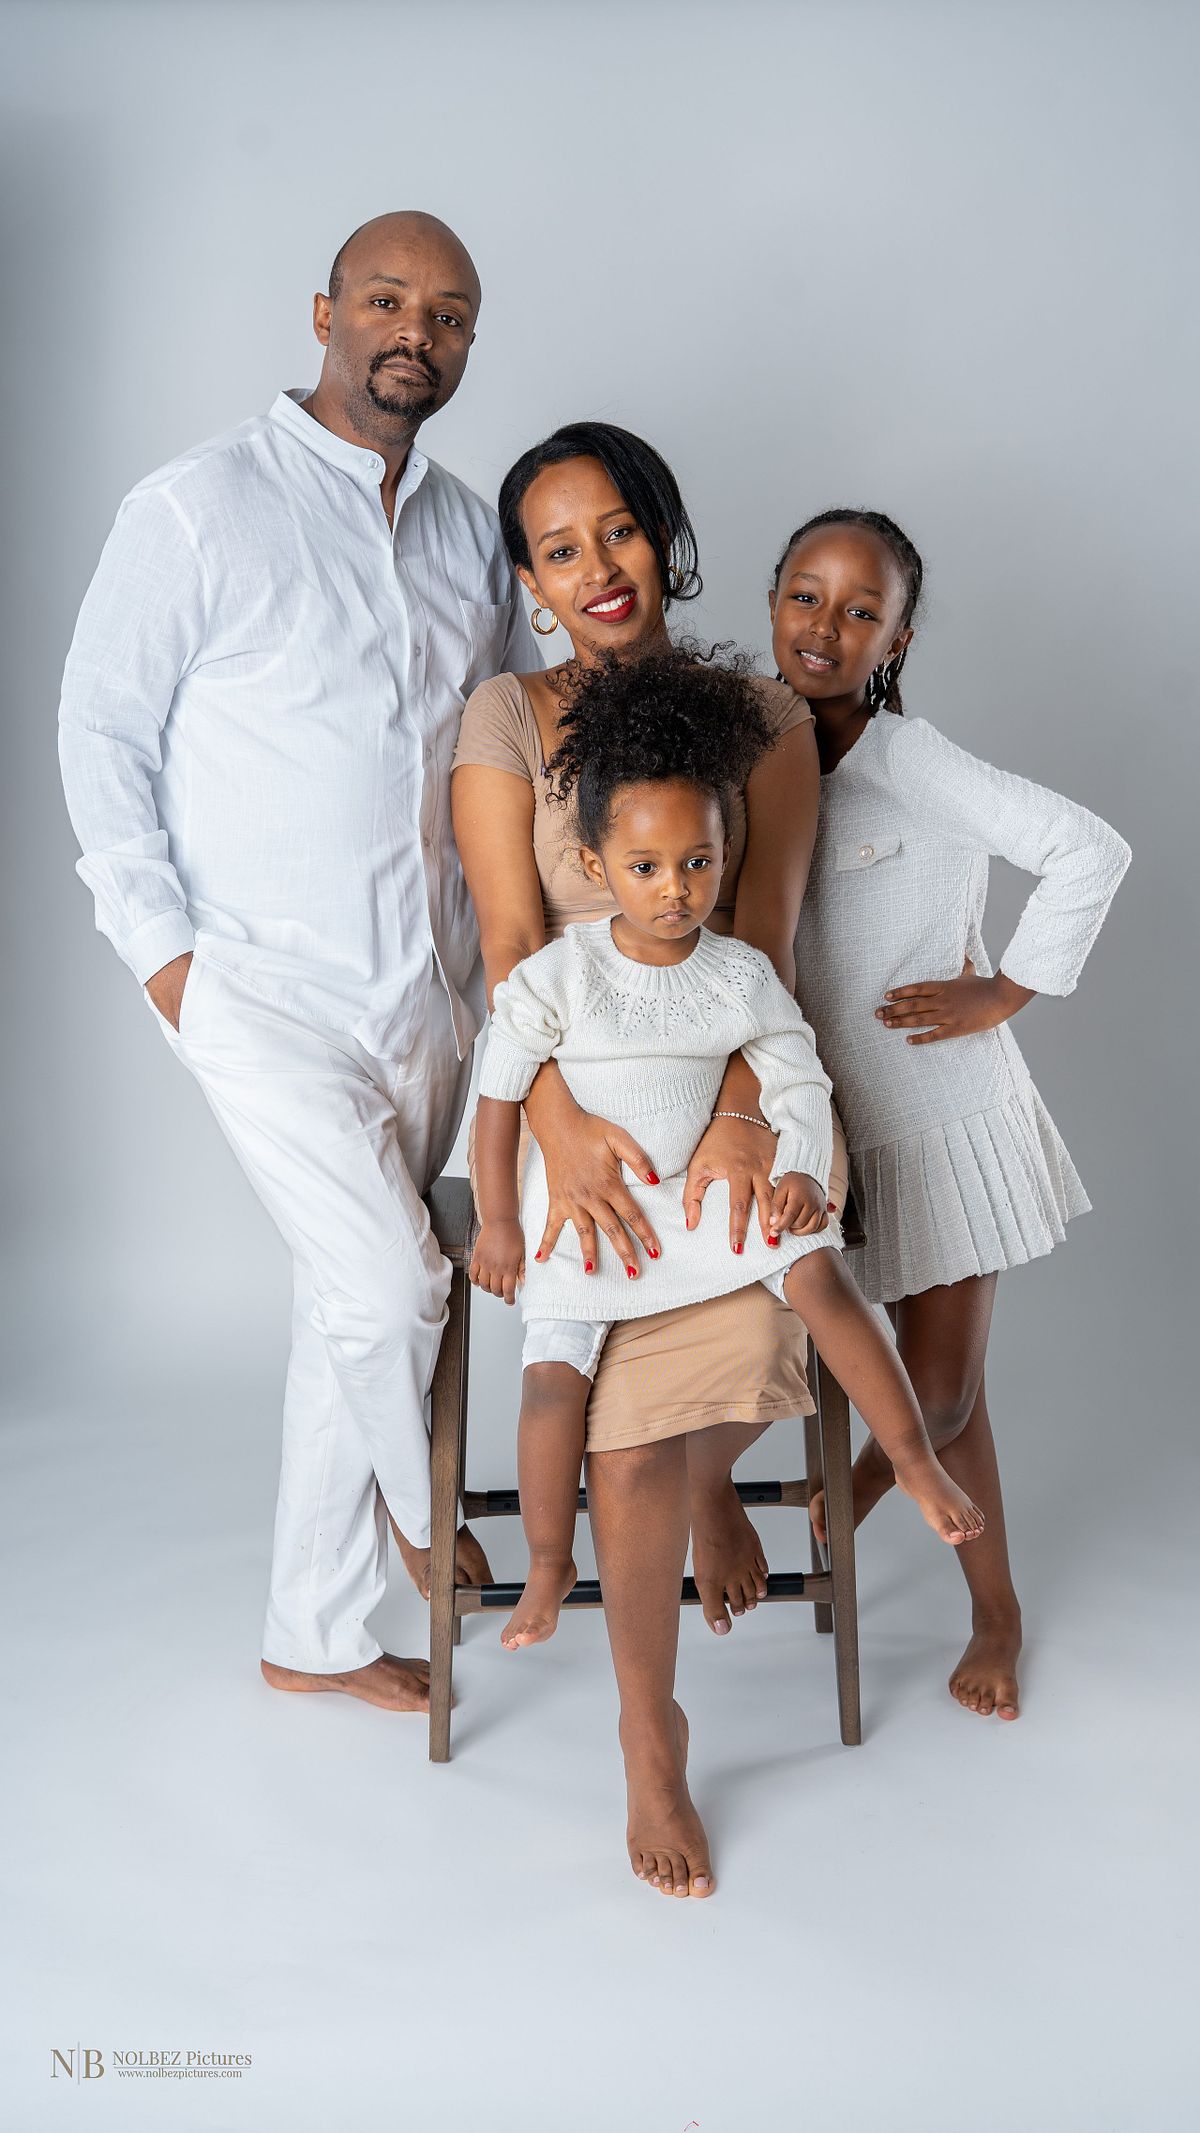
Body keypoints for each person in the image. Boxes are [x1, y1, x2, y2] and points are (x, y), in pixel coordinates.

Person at [58, 212, 536, 1713]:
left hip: (430, 993)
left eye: (449, 315)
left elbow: (506, 746)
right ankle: (419, 1511)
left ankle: (312, 1636)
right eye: (389, 300)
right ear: (324, 309)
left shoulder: (471, 531)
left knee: (351, 1301)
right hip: (256, 988)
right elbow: (100, 733)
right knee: (396, 1284)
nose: (418, 332)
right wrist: (167, 964)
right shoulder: (198, 507)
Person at [470, 649, 984, 1676]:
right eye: (648, 869)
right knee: (548, 1388)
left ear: (723, 855)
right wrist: (494, 1220)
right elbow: (499, 1098)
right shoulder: (560, 974)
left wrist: (796, 1165)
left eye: (699, 864)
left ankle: (914, 1458)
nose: (675, 892)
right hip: (595, 1213)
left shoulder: (739, 972)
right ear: (598, 862)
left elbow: (797, 1079)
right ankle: (541, 1558)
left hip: (700, 1197)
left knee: (816, 1268)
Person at [451, 420, 848, 1639]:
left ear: (662, 534)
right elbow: (511, 953)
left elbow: (767, 955)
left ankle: (701, 1476)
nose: (599, 569)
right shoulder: (507, 718)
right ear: (530, 584)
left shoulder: (766, 718)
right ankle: (654, 1701)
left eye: (619, 530)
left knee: (756, 1265)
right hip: (560, 1098)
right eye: (560, 551)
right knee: (592, 1352)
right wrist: (557, 1132)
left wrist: (740, 1120)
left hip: (735, 1076)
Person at [772, 508, 1131, 1722]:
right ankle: (946, 1555)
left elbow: (1089, 849)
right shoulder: (757, 755)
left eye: (861, 610)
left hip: (944, 1116)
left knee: (944, 1401)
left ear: (898, 638)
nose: (827, 626)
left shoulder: (906, 760)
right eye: (806, 595)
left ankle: (974, 1595)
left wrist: (1009, 988)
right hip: (828, 1125)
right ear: (773, 601)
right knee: (934, 1392)